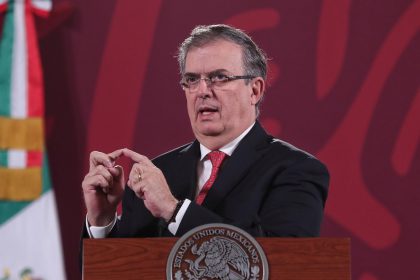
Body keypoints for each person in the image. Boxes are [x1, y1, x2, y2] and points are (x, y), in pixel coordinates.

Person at [81, 24, 329, 239]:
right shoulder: (153, 175)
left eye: (219, 77)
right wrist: (103, 221)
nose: (202, 91)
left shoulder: (296, 170)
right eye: (191, 79)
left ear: (254, 90)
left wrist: (173, 210)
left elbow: (282, 261)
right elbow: (122, 267)